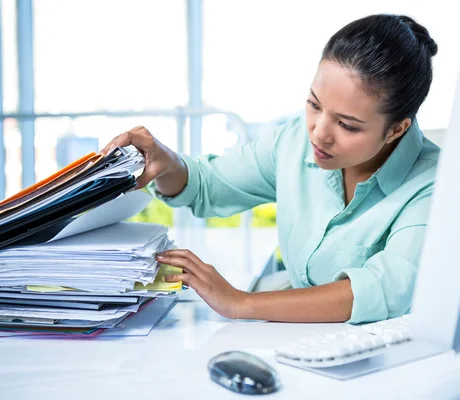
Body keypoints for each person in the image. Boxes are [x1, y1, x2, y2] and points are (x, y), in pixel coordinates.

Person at [101, 14, 440, 324]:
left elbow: (383, 289)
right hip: (292, 341)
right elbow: (209, 184)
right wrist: (168, 162)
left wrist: (240, 302)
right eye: (314, 105)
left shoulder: (435, 184)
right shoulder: (292, 141)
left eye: (348, 126)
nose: (319, 132)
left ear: (397, 129)